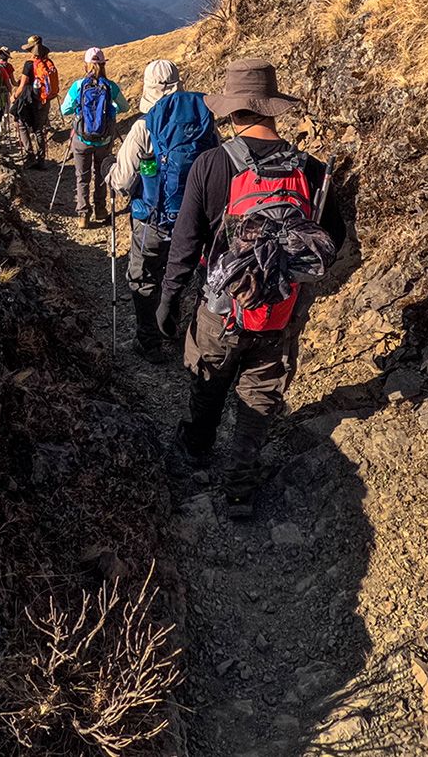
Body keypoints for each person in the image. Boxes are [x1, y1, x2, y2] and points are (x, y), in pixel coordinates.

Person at [157, 59, 344, 518]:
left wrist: (168, 298)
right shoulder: (312, 170)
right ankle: (240, 486)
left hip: (221, 306)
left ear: (231, 111)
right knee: (261, 391)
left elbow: (185, 242)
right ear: (273, 108)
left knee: (209, 378)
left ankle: (197, 450)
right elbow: (332, 240)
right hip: (280, 306)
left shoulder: (212, 164)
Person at [107, 60, 217, 364]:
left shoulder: (145, 126)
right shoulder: (204, 121)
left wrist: (110, 173)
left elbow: (123, 182)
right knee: (179, 273)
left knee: (143, 277)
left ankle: (149, 341)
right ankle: (174, 328)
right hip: (195, 220)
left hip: (153, 221)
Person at [59, 48, 128, 230]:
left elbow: (64, 110)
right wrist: (110, 111)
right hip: (104, 139)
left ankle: (83, 215)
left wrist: (79, 110)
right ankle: (101, 210)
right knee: (101, 174)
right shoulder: (110, 86)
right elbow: (125, 107)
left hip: (82, 138)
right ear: (103, 64)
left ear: (86, 65)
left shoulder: (79, 86)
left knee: (82, 176)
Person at [11, 35, 59, 168]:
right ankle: (41, 160)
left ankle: (29, 154)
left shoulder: (29, 64)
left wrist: (14, 97)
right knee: (39, 129)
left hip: (29, 101)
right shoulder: (48, 63)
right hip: (44, 100)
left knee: (22, 125)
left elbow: (22, 85)